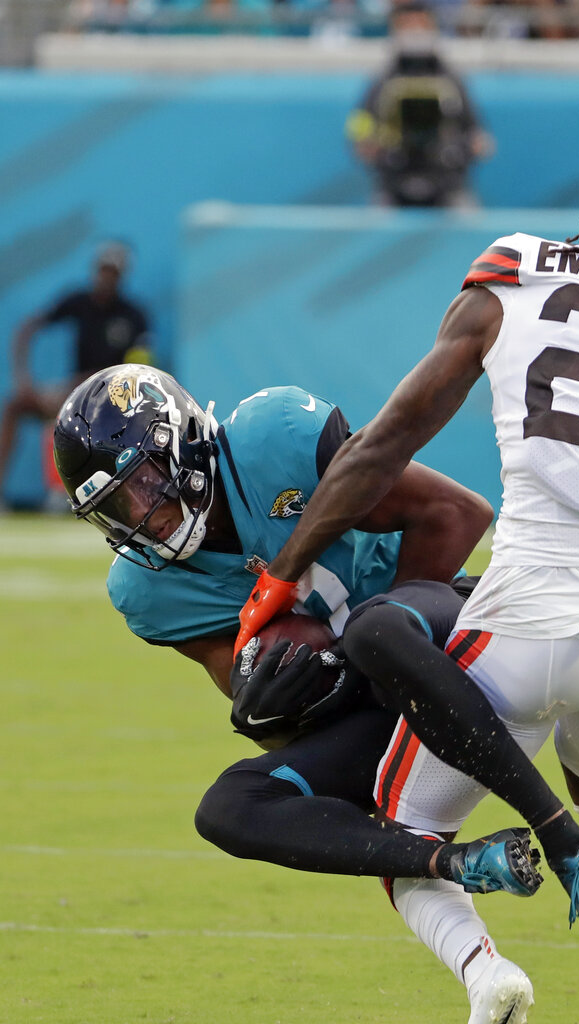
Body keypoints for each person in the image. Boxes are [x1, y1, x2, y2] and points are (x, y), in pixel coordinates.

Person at [234, 135, 579, 1024]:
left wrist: (283, 577)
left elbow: (383, 445)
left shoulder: (519, 271)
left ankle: (491, 976)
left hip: (520, 626)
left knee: (403, 841)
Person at [51, 364, 550, 1022]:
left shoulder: (273, 437)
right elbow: (268, 711)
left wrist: (378, 645)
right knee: (230, 806)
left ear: (180, 445)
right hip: (372, 706)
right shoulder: (147, 592)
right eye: (116, 508)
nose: (142, 516)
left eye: (143, 483)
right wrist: (267, 707)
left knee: (375, 631)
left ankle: (559, 838)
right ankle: (459, 863)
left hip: (443, 646)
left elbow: (457, 513)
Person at [0, 241, 151, 505]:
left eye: (113, 271)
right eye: (103, 270)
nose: (107, 277)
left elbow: (137, 371)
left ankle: (87, 495)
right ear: (96, 270)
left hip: (112, 404)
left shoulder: (134, 316)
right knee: (16, 405)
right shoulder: (79, 302)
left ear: (122, 275)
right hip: (72, 396)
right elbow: (27, 330)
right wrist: (23, 379)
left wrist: (77, 386)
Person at [346, 0, 494, 208]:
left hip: (447, 181)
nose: (414, 31)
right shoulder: (381, 81)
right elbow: (359, 127)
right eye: (406, 25)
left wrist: (465, 147)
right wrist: (369, 144)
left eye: (421, 24)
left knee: (467, 211)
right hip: (393, 180)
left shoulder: (452, 80)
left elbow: (477, 134)